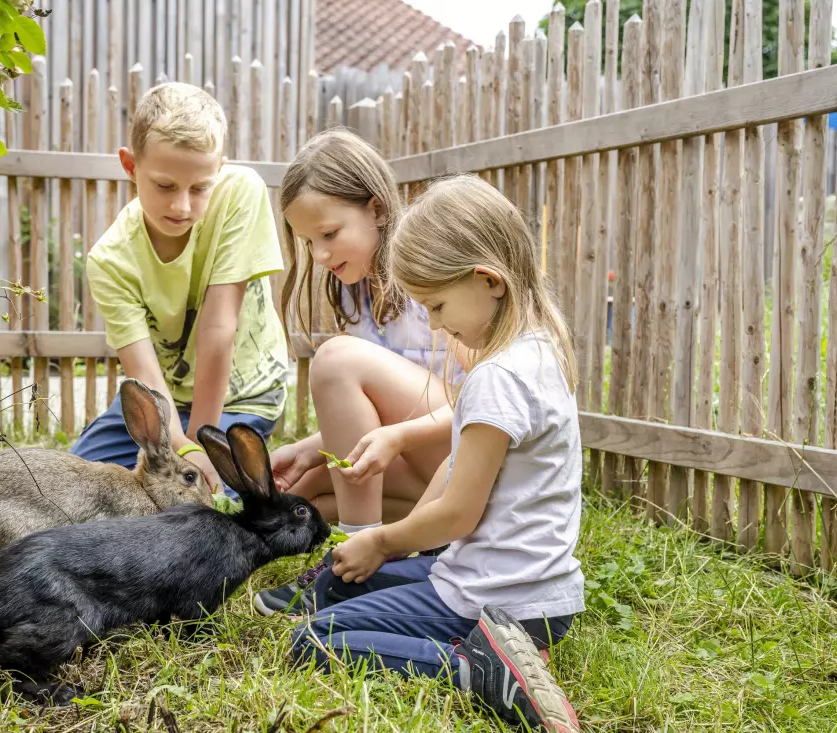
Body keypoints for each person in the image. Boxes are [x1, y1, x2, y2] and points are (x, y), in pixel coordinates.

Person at [290, 175, 584, 732]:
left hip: (497, 602)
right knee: (339, 582)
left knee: (313, 640)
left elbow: (457, 514)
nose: (434, 322)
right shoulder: (541, 348)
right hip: (540, 597)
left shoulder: (496, 378)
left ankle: (478, 671)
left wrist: (380, 539)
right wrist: (393, 551)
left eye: (438, 305)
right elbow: (456, 473)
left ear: (489, 281)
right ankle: (501, 651)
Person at [253, 129, 467, 616]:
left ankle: (356, 569)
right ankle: (362, 550)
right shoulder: (355, 290)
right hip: (430, 467)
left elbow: (484, 404)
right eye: (310, 242)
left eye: (329, 234)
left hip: (470, 461)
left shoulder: (430, 269)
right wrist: (309, 450)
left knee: (335, 358)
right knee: (307, 493)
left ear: (376, 208)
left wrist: (396, 438)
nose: (322, 255)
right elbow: (381, 404)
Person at [69, 82, 289, 493]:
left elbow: (218, 328)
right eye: (165, 186)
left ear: (219, 169)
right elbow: (145, 374)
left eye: (200, 188)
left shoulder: (242, 191)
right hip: (163, 399)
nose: (182, 206)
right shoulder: (111, 260)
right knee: (77, 486)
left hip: (242, 397)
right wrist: (182, 447)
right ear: (131, 167)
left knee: (209, 502)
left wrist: (200, 444)